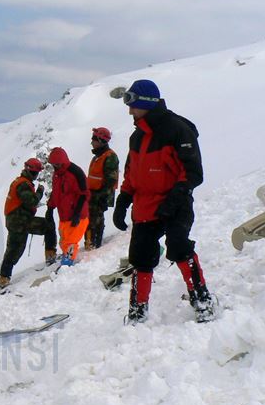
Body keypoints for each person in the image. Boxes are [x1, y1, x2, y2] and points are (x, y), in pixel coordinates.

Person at [113, 79, 215, 323]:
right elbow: (132, 173)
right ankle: (138, 310)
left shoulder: (178, 130)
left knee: (179, 247)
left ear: (146, 102)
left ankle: (202, 300)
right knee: (141, 257)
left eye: (132, 104)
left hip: (175, 203)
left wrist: (176, 197)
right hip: (146, 205)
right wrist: (123, 199)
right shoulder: (137, 137)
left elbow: (193, 172)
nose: (129, 111)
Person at [0, 158, 56, 288]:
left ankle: (4, 278)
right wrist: (40, 192)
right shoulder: (23, 185)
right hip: (20, 221)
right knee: (48, 226)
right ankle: (50, 255)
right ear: (32, 172)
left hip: (14, 221)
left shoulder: (18, 181)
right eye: (36, 173)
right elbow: (32, 201)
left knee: (13, 249)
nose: (36, 176)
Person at [46, 147, 89, 265]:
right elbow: (56, 193)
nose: (55, 167)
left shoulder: (76, 173)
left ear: (63, 162)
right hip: (64, 215)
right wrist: (50, 208)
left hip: (78, 215)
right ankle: (66, 256)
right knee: (64, 241)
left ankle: (68, 262)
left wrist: (77, 213)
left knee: (71, 241)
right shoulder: (57, 175)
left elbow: (84, 194)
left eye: (57, 164)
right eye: (53, 164)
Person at [85, 127, 119, 250]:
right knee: (91, 219)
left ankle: (93, 245)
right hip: (93, 194)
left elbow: (110, 180)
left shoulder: (110, 157)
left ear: (101, 140)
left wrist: (103, 197)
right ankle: (90, 243)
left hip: (100, 195)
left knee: (95, 220)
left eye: (94, 139)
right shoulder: (98, 157)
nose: (92, 142)